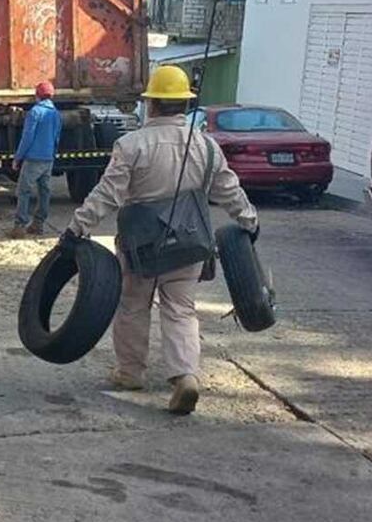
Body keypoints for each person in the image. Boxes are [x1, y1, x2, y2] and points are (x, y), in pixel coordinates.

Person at [64, 65, 258, 415]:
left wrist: (77, 227)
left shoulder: (131, 145)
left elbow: (107, 195)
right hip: (189, 244)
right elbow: (229, 190)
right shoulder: (206, 147)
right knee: (181, 310)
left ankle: (130, 373)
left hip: (141, 247)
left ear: (151, 104)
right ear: (183, 105)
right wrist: (249, 220)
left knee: (133, 307)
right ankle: (185, 376)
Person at [7, 82, 63, 239]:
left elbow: (27, 137)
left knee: (24, 191)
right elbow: (57, 137)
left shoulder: (35, 112)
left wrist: (18, 157)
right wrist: (52, 154)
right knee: (44, 191)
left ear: (37, 95)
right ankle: (38, 224)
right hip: (48, 158)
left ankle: (19, 227)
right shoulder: (56, 114)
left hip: (33, 158)